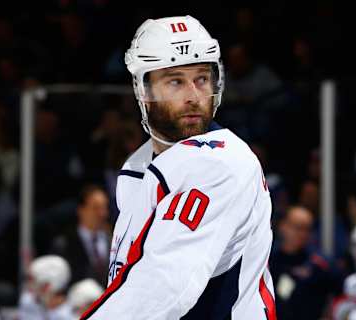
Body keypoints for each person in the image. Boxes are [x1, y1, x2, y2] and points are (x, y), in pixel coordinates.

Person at [81, 15, 276, 319]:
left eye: (201, 78)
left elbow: (162, 287)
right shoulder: (139, 165)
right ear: (143, 90)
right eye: (175, 81)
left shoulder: (221, 163)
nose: (192, 95)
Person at [270, 206, 343, 320]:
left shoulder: (320, 263)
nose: (302, 234)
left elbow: (342, 292)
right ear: (283, 226)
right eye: (298, 227)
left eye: (307, 229)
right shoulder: (269, 259)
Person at [52, 185, 111, 286]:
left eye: (104, 208)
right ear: (81, 210)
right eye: (96, 208)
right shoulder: (63, 244)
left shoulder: (113, 241)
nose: (102, 214)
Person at [19, 255, 74, 320]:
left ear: (47, 286)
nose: (29, 286)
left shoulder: (70, 315)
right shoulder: (28, 302)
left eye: (32, 280)